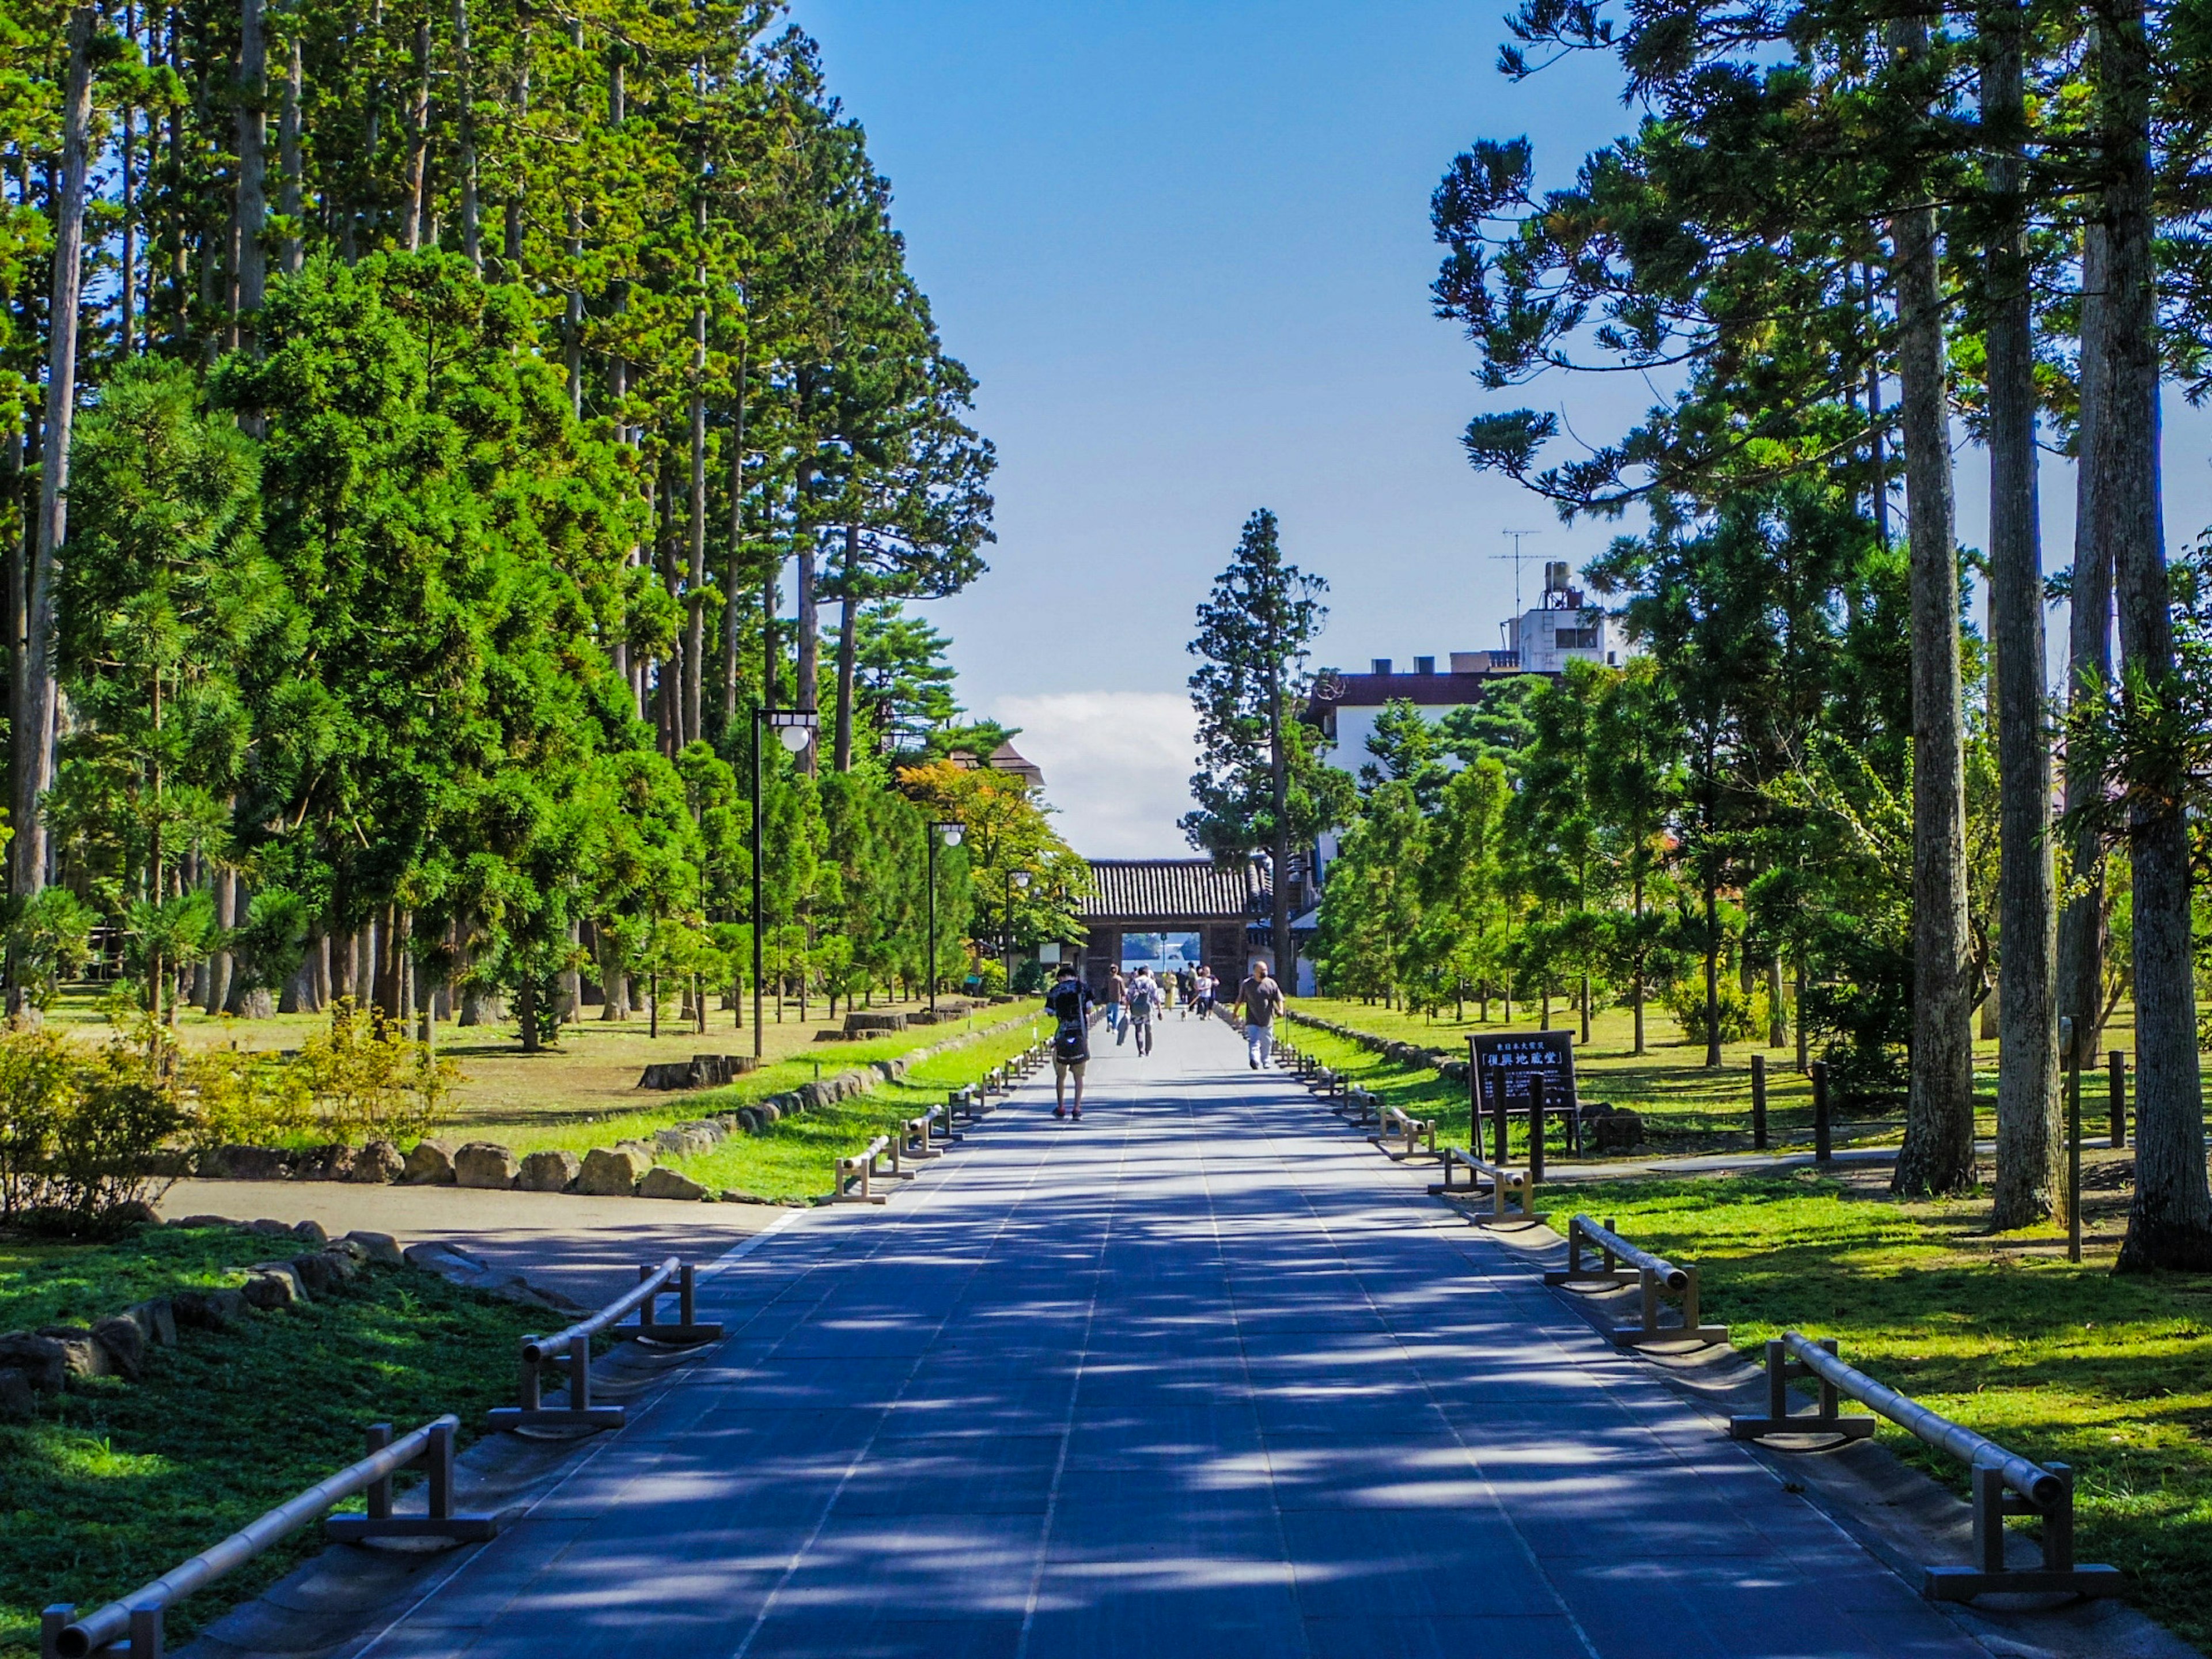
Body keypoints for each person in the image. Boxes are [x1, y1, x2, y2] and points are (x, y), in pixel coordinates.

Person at [1043, 963, 1093, 1119]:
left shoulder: (1055, 990)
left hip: (1062, 1036)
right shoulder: (1084, 988)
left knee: (1061, 1075)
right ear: (1075, 976)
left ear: (1059, 978)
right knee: (1079, 1077)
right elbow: (1090, 1008)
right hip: (1080, 1036)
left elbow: (1050, 1012)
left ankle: (1061, 1107)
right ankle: (1077, 1109)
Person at [1234, 960, 1285, 1070]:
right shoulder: (1247, 984)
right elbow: (1240, 1000)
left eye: (1265, 970)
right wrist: (1235, 1012)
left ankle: (1266, 1061)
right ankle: (1255, 1060)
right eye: (1261, 971)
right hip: (1252, 1018)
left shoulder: (1271, 983)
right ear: (1255, 972)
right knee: (1254, 1040)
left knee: (1267, 1041)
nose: (1264, 972)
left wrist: (1281, 1010)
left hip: (1267, 1019)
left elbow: (1279, 999)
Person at [1127, 965, 1160, 1057]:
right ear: (1146, 973)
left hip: (1136, 1008)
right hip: (1148, 1008)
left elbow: (1129, 996)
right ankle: (1148, 1050)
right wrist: (1160, 1011)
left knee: (1138, 1030)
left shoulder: (1135, 982)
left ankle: (1141, 1051)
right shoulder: (1151, 982)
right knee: (1148, 1030)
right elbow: (1156, 997)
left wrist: (1127, 1009)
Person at [1105, 965, 1128, 1044]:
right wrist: (1124, 997)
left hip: (1109, 998)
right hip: (1117, 998)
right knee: (1116, 1014)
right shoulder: (1119, 979)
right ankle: (1114, 1028)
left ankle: (1109, 1022)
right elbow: (1123, 990)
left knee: (1108, 1012)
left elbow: (1104, 988)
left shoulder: (1108, 979)